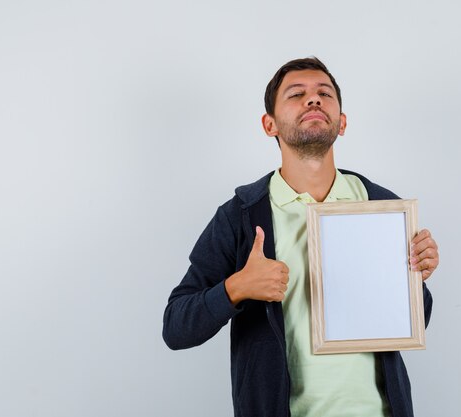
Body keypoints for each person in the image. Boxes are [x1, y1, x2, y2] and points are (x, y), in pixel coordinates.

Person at [163, 57, 439, 417]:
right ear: (269, 124)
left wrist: (418, 277)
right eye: (297, 94)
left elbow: (414, 320)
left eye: (324, 93)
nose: (314, 100)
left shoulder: (382, 205)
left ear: (342, 123)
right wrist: (236, 287)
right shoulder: (240, 215)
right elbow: (176, 327)